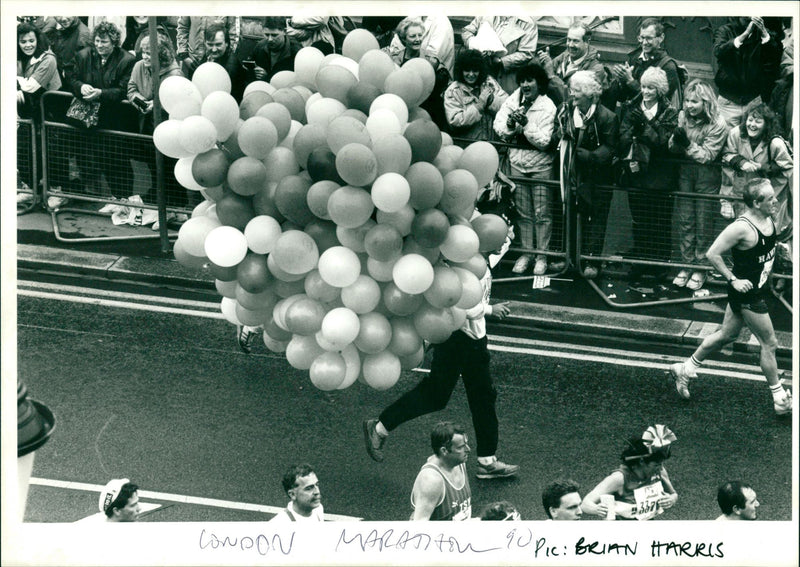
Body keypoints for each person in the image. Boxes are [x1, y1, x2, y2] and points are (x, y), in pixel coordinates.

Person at [363, 235, 519, 480]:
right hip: (457, 338)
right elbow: (457, 300)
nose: (504, 242)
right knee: (468, 396)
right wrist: (490, 309)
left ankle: (381, 426)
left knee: (456, 395)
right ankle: (486, 461)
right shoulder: (460, 265)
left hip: (474, 338)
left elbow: (503, 241)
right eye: (498, 238)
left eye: (505, 236)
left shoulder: (487, 255)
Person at [669, 178, 793, 416]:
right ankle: (779, 399)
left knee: (727, 335)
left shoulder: (768, 218)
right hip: (748, 294)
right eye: (770, 199)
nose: (775, 201)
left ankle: (685, 369)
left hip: (758, 289)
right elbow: (712, 253)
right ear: (756, 203)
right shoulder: (741, 227)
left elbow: (765, 249)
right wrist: (733, 279)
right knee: (770, 343)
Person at [493, 63, 557, 276]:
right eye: (522, 81)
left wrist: (527, 126)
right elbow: (498, 125)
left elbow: (545, 140)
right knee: (523, 213)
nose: (525, 85)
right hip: (517, 165)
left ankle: (542, 256)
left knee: (542, 213)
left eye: (530, 81)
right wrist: (511, 125)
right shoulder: (512, 100)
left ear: (539, 83)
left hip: (540, 167)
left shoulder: (548, 106)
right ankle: (527, 253)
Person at [556, 70, 619, 279]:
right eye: (572, 90)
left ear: (590, 94)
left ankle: (592, 260)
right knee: (570, 213)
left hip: (598, 177)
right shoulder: (567, 110)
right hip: (573, 174)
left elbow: (611, 148)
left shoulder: (607, 117)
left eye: (577, 92)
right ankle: (570, 257)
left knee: (597, 218)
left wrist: (591, 156)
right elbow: (557, 133)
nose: (572, 95)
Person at [618, 67, 679, 283]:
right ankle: (641, 262)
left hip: (660, 177)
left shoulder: (670, 112)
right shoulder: (632, 107)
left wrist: (644, 126)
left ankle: (660, 265)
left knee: (660, 221)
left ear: (660, 90)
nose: (646, 91)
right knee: (640, 220)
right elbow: (623, 137)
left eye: (651, 87)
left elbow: (662, 143)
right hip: (637, 175)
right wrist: (637, 132)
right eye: (644, 86)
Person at [63, 21, 137, 200]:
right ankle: (112, 197)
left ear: (114, 42)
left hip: (113, 118)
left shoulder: (127, 60)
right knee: (96, 157)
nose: (99, 45)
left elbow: (122, 90)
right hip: (87, 119)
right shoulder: (82, 56)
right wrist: (81, 87)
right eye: (97, 41)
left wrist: (100, 93)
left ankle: (123, 198)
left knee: (117, 160)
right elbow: (71, 78)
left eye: (104, 42)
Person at [668, 79, 727, 291]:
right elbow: (673, 148)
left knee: (704, 223)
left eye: (694, 101)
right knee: (686, 220)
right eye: (687, 100)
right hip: (685, 173)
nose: (689, 105)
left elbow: (708, 156)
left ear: (706, 102)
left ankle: (701, 267)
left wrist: (686, 144)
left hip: (707, 176)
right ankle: (686, 264)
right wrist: (675, 142)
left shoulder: (718, 123)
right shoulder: (682, 116)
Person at [127, 32, 188, 230]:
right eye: (143, 53)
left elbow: (178, 100)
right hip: (147, 125)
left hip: (169, 127)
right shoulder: (139, 67)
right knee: (155, 165)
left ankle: (177, 208)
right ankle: (164, 207)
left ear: (160, 54)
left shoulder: (174, 73)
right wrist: (137, 100)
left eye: (149, 53)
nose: (144, 57)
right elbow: (131, 87)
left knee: (170, 167)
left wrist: (157, 104)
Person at [581, 425, 678, 520]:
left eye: (661, 464)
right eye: (656, 465)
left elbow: (673, 494)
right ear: (641, 462)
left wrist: (672, 499)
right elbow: (585, 504)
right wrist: (597, 509)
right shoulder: (619, 478)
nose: (660, 468)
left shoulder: (659, 471)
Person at [720, 103, 792, 228]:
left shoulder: (776, 143)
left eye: (758, 121)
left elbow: (788, 168)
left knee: (767, 229)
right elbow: (726, 154)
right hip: (742, 192)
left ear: (766, 124)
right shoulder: (735, 133)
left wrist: (763, 168)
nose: (752, 125)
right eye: (750, 120)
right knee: (744, 228)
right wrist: (741, 162)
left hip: (770, 196)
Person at [383, 17, 453, 129]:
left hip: (427, 111)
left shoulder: (432, 61)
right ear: (404, 39)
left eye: (420, 35)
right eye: (412, 36)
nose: (417, 39)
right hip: (401, 108)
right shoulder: (396, 59)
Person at [713, 17, 783, 129]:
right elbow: (719, 51)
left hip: (753, 100)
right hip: (728, 101)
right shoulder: (725, 31)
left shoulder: (764, 33)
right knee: (725, 139)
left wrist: (765, 35)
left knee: (751, 140)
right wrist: (744, 35)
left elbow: (775, 59)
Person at [607, 18, 684, 110]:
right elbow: (623, 97)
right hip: (630, 115)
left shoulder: (668, 67)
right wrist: (622, 80)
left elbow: (661, 102)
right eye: (642, 38)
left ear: (661, 38)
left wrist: (631, 81)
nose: (644, 43)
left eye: (649, 38)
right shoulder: (634, 58)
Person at [409, 422, 472, 521]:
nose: (468, 449)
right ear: (444, 451)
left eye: (466, 444)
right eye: (460, 447)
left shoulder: (459, 463)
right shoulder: (431, 480)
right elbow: (418, 525)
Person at [461, 16, 538, 95]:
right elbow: (467, 31)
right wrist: (476, 47)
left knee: (503, 102)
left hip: (507, 77)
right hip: (481, 73)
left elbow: (527, 53)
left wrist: (501, 61)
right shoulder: (486, 12)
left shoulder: (528, 23)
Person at [443, 49, 507, 142]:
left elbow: (507, 107)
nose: (471, 74)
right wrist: (479, 106)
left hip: (492, 144)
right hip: (467, 145)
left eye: (475, 70)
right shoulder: (453, 91)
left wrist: (491, 100)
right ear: (461, 70)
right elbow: (455, 122)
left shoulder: (489, 82)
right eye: (467, 70)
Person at [538, 22, 605, 108]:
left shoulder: (596, 69)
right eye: (569, 40)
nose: (570, 45)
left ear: (587, 42)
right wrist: (542, 65)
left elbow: (574, 101)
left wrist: (551, 76)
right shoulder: (565, 56)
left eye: (575, 41)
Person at [193, 24, 246, 102]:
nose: (214, 49)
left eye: (218, 44)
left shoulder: (231, 66)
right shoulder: (208, 55)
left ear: (227, 44)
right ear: (204, 43)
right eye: (210, 44)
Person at [176, 16, 240, 77]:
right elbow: (182, 28)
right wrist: (184, 55)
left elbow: (234, 34)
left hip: (220, 65)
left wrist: (227, 61)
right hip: (192, 61)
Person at [249, 17, 302, 83]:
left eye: (274, 35)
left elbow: (298, 80)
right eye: (267, 35)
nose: (270, 39)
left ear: (284, 31)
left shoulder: (296, 52)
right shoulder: (259, 47)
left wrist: (267, 77)